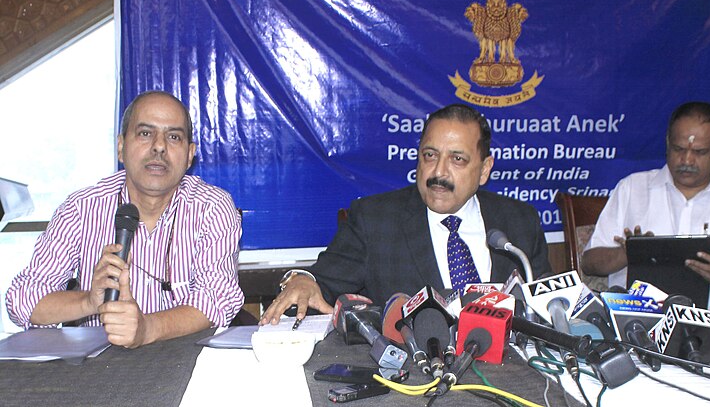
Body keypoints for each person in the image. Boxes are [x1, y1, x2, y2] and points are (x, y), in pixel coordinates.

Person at [261, 103, 551, 325]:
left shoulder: (519, 222)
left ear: (485, 169)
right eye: (430, 155)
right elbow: (318, 282)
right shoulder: (374, 219)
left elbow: (545, 303)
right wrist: (301, 280)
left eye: (457, 159)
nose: (439, 172)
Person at [6, 91, 244, 348]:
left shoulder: (213, 207)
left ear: (189, 155)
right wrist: (89, 301)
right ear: (121, 147)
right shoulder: (81, 208)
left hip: (187, 360)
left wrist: (147, 328)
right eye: (145, 133)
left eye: (174, 137)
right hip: (103, 366)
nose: (159, 146)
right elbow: (22, 300)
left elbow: (219, 299)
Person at [581, 101, 710, 306]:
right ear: (668, 142)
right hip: (635, 328)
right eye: (678, 149)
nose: (687, 160)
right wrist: (628, 254)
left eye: (699, 152)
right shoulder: (632, 189)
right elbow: (589, 264)